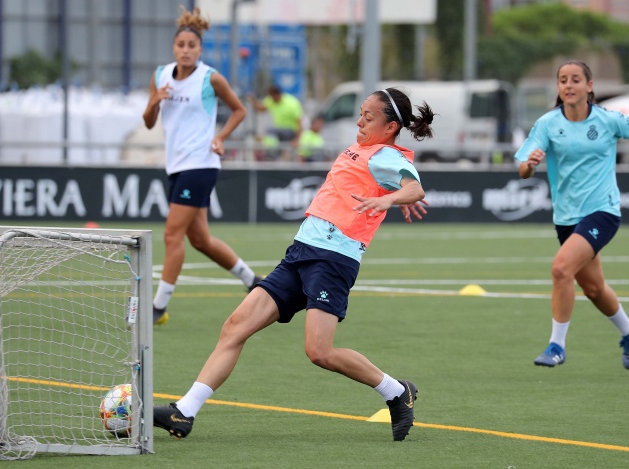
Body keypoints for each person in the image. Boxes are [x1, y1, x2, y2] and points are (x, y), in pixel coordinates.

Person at [153, 87, 435, 442]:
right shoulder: (361, 151)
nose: (360, 121)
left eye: (369, 116)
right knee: (234, 327)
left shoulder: (385, 156)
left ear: (391, 126)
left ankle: (396, 392)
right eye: (360, 113)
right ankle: (185, 412)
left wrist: (393, 198)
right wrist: (393, 194)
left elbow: (415, 189)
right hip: (300, 252)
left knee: (319, 351)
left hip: (333, 260)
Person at [514, 60, 629, 369]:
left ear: (589, 86)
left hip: (602, 211)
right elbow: (523, 169)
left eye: (575, 79)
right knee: (593, 288)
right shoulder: (548, 123)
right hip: (566, 218)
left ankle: (556, 346)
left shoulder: (609, 120)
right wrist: (530, 164)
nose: (568, 85)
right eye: (563, 80)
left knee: (561, 269)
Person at [142, 7, 262, 326]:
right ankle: (253, 281)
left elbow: (238, 111)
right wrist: (155, 101)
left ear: (200, 49)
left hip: (201, 163)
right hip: (176, 165)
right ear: (174, 48)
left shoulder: (210, 78)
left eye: (191, 46)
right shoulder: (160, 76)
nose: (185, 50)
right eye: (180, 45)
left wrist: (221, 137)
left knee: (172, 234)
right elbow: (149, 121)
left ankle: (158, 306)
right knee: (200, 240)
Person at [250, 84, 304, 158]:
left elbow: (300, 123)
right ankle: (273, 156)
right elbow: (261, 108)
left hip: (290, 131)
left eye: (272, 97)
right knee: (271, 135)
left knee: (269, 131)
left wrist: (297, 140)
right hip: (279, 132)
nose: (271, 99)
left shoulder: (292, 103)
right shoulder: (271, 101)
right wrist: (253, 101)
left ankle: (273, 155)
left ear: (277, 94)